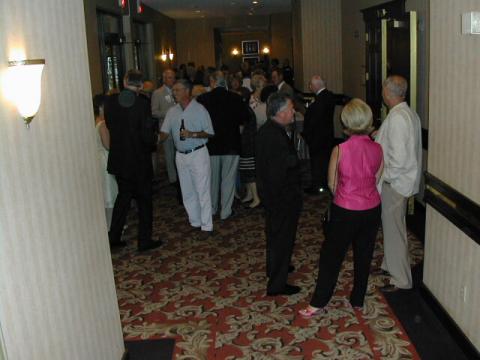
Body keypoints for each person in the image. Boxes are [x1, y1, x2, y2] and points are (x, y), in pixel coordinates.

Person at [299, 99, 383, 317]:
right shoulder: (378, 148)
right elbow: (378, 177)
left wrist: (346, 198)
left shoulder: (340, 149)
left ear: (346, 122)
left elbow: (331, 183)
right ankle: (358, 299)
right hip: (372, 209)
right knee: (364, 254)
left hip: (345, 210)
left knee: (331, 257)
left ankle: (319, 302)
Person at [105, 69, 161, 252]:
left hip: (119, 160)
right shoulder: (142, 103)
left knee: (123, 198)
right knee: (145, 201)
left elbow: (109, 125)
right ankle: (144, 240)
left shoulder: (111, 102)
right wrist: (154, 140)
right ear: (141, 85)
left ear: (124, 81)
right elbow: (146, 135)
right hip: (138, 161)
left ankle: (113, 238)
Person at [375, 75, 422, 292]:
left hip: (395, 183)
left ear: (387, 92)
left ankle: (401, 279)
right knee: (393, 227)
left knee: (394, 230)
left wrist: (384, 178)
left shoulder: (397, 118)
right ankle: (389, 265)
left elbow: (399, 159)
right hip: (402, 182)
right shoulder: (407, 112)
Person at [256, 93, 302, 296]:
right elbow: (278, 171)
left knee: (276, 236)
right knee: (282, 238)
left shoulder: (270, 130)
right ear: (281, 112)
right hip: (281, 198)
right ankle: (277, 284)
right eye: (291, 108)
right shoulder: (274, 136)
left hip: (274, 196)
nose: (294, 111)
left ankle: (275, 267)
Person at [159, 79, 215, 240]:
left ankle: (207, 226)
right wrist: (154, 139)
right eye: (174, 90)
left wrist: (193, 134)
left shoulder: (200, 109)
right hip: (180, 155)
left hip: (198, 153)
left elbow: (210, 132)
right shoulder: (172, 111)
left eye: (177, 90)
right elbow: (164, 132)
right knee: (187, 191)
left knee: (202, 190)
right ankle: (195, 222)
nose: (173, 93)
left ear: (186, 91)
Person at [197, 71, 249, 220]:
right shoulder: (235, 98)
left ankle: (212, 208)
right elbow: (245, 118)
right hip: (231, 144)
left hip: (211, 145)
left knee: (212, 179)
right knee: (228, 179)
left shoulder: (203, 99)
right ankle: (226, 211)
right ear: (224, 81)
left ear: (212, 82)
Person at [303, 75, 336, 194]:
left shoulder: (320, 100)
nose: (309, 87)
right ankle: (323, 183)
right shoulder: (328, 96)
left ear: (316, 85)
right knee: (324, 161)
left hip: (317, 137)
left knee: (317, 162)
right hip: (326, 135)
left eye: (310, 85)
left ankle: (317, 186)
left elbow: (313, 121)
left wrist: (307, 135)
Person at [239, 74, 267, 209]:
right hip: (251, 136)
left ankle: (256, 196)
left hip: (257, 136)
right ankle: (252, 195)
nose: (263, 86)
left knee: (251, 166)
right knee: (248, 166)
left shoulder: (263, 99)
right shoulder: (250, 100)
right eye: (262, 84)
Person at [93, 94, 118, 228]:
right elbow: (108, 145)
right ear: (102, 107)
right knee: (110, 191)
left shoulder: (94, 121)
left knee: (105, 190)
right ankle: (111, 226)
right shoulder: (103, 124)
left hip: (97, 159)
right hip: (105, 159)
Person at [151, 69, 178, 185]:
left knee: (180, 154)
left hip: (179, 128)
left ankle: (181, 176)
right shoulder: (158, 93)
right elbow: (154, 112)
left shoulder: (178, 90)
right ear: (164, 79)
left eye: (173, 77)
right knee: (169, 155)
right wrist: (169, 112)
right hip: (166, 128)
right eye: (170, 77)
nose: (172, 80)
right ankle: (173, 179)